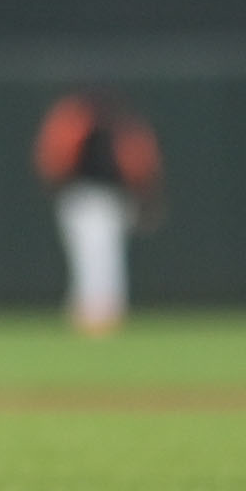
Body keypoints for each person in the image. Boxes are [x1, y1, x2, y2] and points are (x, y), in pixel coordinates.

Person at [35, 91, 164, 335]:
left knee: (103, 259)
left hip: (106, 198)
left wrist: (146, 198)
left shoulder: (120, 129)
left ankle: (102, 313)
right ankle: (91, 313)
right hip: (84, 196)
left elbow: (138, 167)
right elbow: (56, 161)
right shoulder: (75, 123)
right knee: (93, 259)